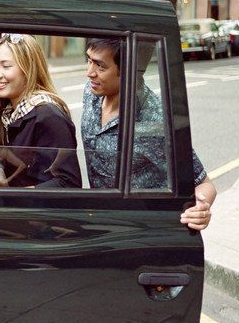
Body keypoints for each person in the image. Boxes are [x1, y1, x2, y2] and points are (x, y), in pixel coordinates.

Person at [82, 37, 216, 230]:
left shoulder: (155, 120)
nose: (89, 73)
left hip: (141, 230)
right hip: (100, 221)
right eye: (89, 60)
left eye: (100, 66)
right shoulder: (91, 91)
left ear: (128, 70)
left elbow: (204, 184)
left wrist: (200, 209)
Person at [0, 34, 81, 188]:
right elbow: (15, 178)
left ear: (28, 70)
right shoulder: (9, 114)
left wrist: (18, 196)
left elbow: (68, 184)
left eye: (6, 66)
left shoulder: (49, 116)